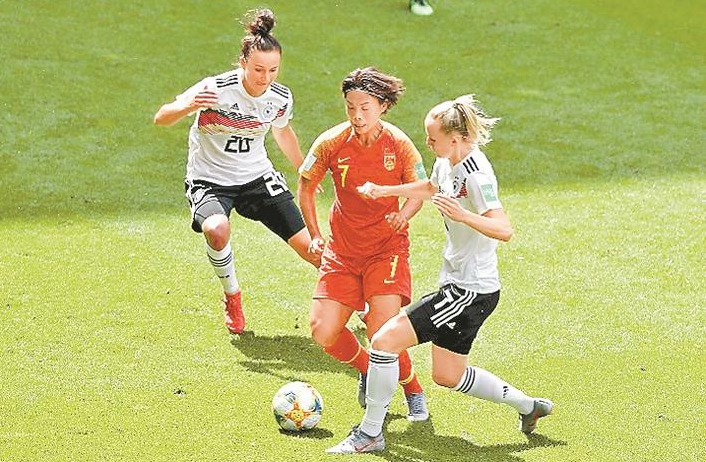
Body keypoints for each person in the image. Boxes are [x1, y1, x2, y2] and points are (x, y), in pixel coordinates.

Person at [327, 94, 554, 454]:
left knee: (383, 342)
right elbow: (431, 189)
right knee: (448, 375)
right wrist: (386, 190)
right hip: (463, 286)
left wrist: (463, 215)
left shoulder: (476, 175)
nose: (428, 143)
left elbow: (504, 229)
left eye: (433, 138)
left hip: (469, 291)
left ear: (457, 138)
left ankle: (370, 433)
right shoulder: (446, 162)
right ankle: (530, 406)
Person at [153, 9, 319, 335]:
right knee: (216, 230)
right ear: (243, 62)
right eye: (258, 69)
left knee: (311, 248)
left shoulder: (280, 97)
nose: (265, 77)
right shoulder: (216, 88)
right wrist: (189, 105)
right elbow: (162, 117)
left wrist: (303, 168)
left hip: (256, 177)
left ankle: (361, 306)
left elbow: (282, 132)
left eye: (273, 70)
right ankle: (232, 296)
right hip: (210, 179)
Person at [298, 67, 430, 421]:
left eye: (365, 108)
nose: (357, 116)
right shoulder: (330, 142)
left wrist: (404, 214)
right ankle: (367, 368)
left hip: (386, 250)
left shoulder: (399, 144)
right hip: (342, 252)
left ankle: (413, 388)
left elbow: (421, 189)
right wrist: (315, 234)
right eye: (350, 107)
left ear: (383, 106)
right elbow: (306, 186)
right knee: (323, 332)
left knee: (382, 331)